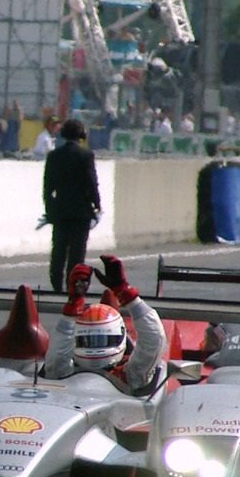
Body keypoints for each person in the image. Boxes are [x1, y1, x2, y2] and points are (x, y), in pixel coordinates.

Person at [43, 255, 166, 396]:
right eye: (87, 341)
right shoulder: (63, 372)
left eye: (103, 340)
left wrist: (127, 293)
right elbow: (56, 358)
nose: (95, 348)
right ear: (73, 340)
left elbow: (154, 339)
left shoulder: (132, 376)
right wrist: (72, 307)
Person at [42, 117, 101, 293]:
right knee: (77, 253)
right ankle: (73, 286)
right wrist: (96, 205)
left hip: (60, 211)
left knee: (59, 250)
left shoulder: (54, 156)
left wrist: (50, 209)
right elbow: (92, 184)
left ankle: (56, 285)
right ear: (81, 135)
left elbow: (47, 187)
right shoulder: (86, 155)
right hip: (81, 212)